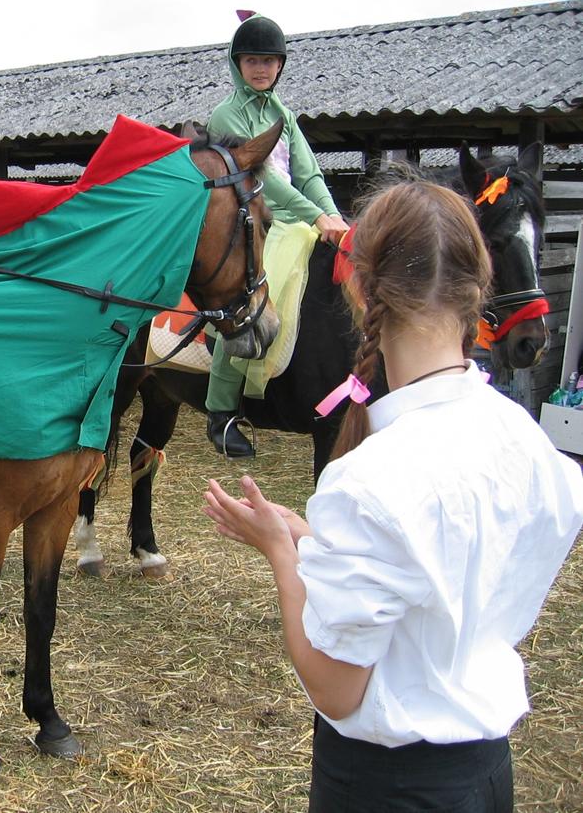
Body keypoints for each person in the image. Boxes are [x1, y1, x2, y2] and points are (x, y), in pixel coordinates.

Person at [203, 180, 583, 812]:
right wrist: (318, 542)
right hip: (487, 774)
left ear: (355, 285)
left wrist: (283, 554)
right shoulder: (532, 443)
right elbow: (443, 575)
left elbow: (336, 689)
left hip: (390, 787)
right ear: (478, 287)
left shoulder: (370, 481)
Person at [204, 13, 350, 457]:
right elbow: (261, 172)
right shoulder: (225, 114)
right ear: (237, 63)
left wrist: (332, 215)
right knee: (249, 298)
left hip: (298, 217)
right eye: (252, 60)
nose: (261, 68)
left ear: (281, 64)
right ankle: (221, 409)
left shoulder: (284, 114)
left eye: (269, 60)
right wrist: (313, 216)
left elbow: (308, 171)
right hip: (253, 215)